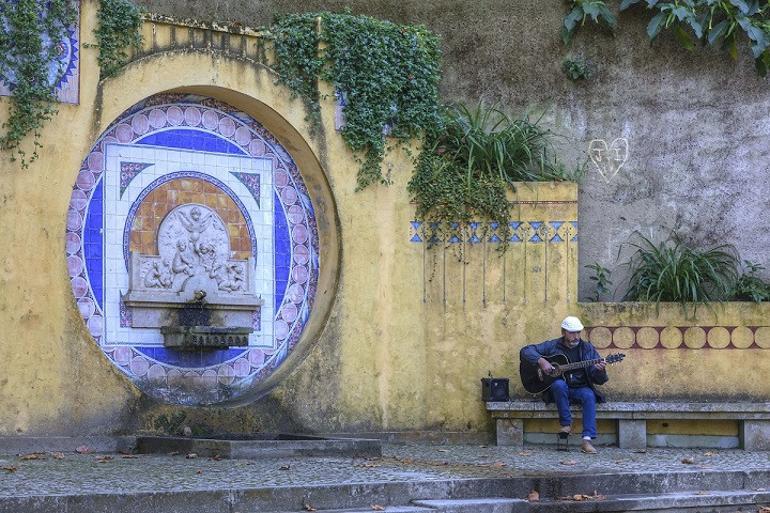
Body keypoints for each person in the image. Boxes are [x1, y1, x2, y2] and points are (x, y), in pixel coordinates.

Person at [519, 316, 608, 454]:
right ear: (563, 332)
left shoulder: (587, 349)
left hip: (579, 388)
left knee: (589, 395)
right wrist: (541, 361)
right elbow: (526, 351)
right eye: (572, 333)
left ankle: (587, 440)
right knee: (559, 384)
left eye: (578, 332)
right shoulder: (553, 346)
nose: (576, 336)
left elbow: (600, 380)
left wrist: (599, 370)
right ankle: (566, 425)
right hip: (559, 391)